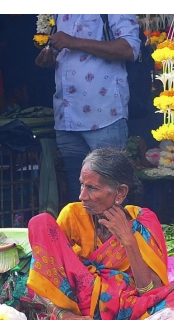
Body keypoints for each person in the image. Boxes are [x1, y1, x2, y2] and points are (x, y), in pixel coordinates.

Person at [26, 148, 174, 320]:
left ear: (120, 193)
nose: (82, 195)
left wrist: (129, 241)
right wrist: (65, 316)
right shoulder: (72, 215)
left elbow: (152, 293)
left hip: (127, 312)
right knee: (40, 222)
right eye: (82, 185)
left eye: (92, 188)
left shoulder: (142, 222)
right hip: (82, 313)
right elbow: (45, 276)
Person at [35, 14, 140, 204]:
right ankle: (83, 234)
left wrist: (73, 42)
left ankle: (116, 234)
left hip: (104, 114)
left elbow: (129, 48)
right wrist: (50, 58)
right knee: (79, 196)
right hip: (67, 116)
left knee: (110, 192)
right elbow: (67, 56)